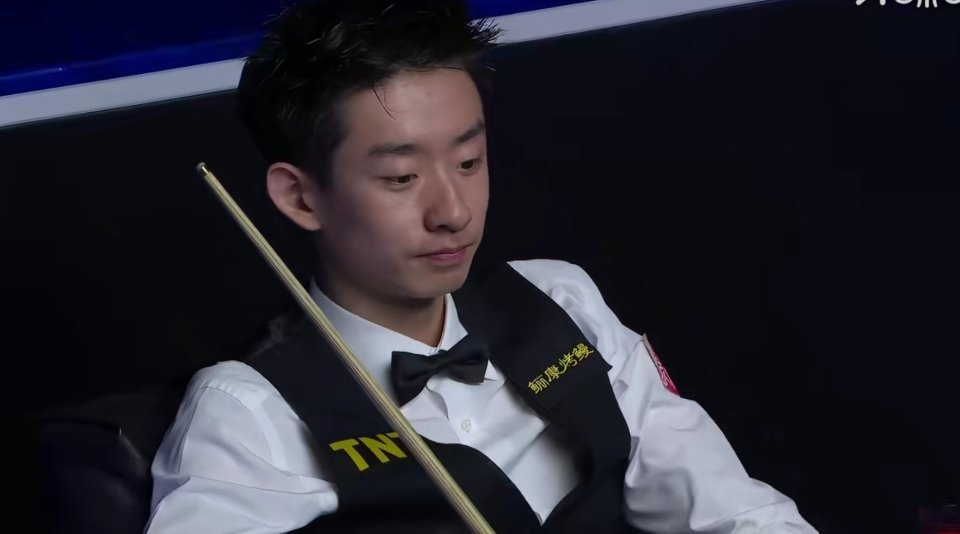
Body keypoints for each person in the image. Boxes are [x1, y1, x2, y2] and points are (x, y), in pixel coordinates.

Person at [145, 1, 817, 532]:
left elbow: (733, 511)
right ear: (300, 197)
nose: (454, 212)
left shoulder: (559, 297)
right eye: (402, 178)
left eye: (469, 161)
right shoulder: (249, 413)